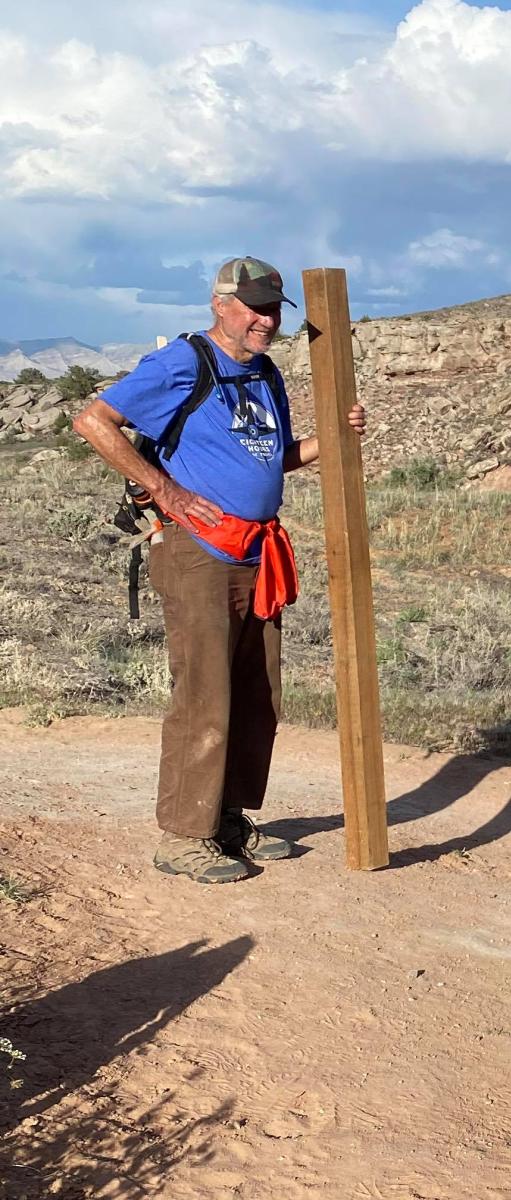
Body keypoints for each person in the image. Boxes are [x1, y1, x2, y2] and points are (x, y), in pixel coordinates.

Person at [73, 257, 366, 885]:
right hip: (198, 552)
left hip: (258, 553)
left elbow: (273, 457)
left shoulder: (264, 373)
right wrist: (164, 490)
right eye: (254, 308)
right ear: (220, 304)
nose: (264, 321)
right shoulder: (185, 363)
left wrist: (335, 438)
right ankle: (184, 837)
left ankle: (227, 823)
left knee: (257, 691)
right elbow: (94, 421)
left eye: (273, 311)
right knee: (205, 693)